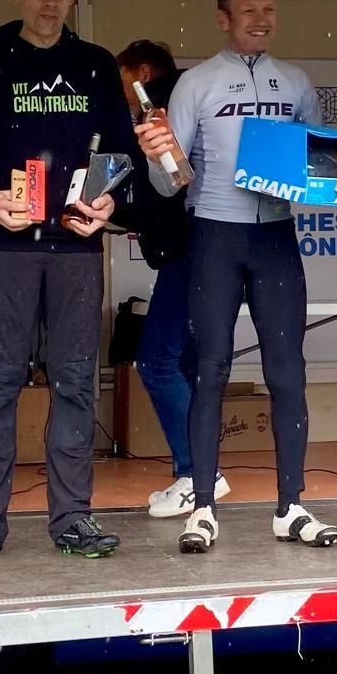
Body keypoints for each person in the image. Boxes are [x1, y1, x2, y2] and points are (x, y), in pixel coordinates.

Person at [135, 0, 337, 554]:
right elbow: (170, 180)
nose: (261, 20)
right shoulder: (196, 83)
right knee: (211, 369)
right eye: (249, 10)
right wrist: (157, 155)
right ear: (223, 19)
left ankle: (290, 506)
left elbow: (317, 168)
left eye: (269, 9)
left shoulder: (296, 83)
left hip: (276, 238)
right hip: (214, 237)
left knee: (287, 371)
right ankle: (203, 507)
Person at [0, 0, 140, 563]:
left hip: (77, 248)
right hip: (10, 248)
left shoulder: (95, 64)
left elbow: (121, 152)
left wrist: (105, 201)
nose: (49, 1)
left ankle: (73, 517)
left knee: (76, 382)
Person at [113, 40, 230, 518]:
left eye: (124, 82)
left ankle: (197, 474)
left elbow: (167, 188)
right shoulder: (189, 101)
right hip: (205, 247)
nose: (122, 95)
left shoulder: (158, 111)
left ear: (143, 73)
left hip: (188, 250)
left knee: (156, 360)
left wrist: (112, 210)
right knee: (183, 363)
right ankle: (199, 474)